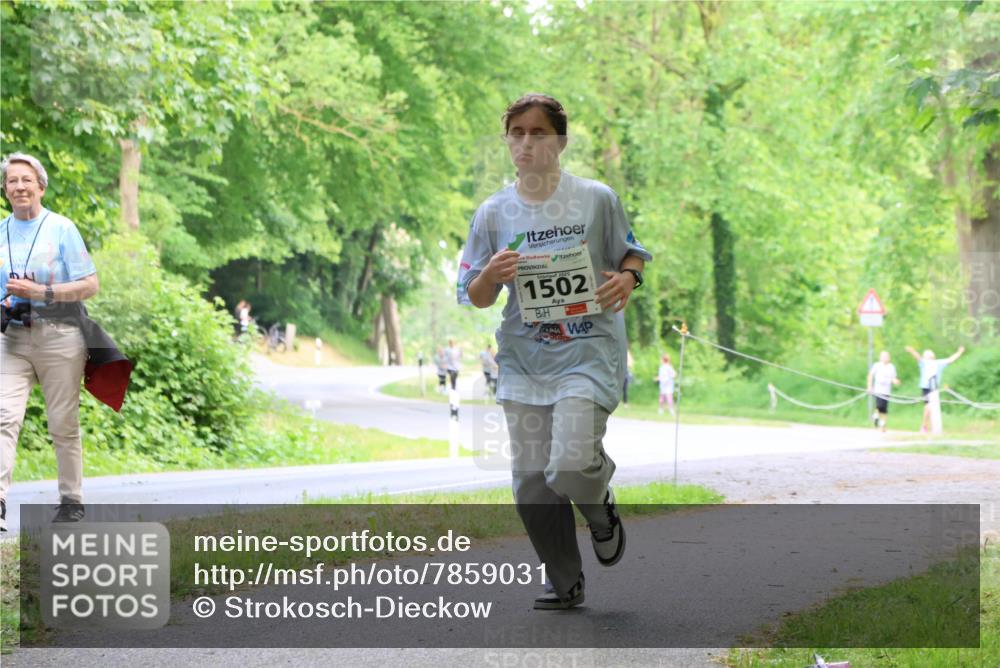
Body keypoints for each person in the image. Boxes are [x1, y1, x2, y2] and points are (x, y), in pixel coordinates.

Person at [457, 93, 651, 610]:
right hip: (524, 359)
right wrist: (490, 275)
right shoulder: (493, 213)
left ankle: (600, 507)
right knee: (530, 482)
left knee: (567, 465)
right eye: (516, 132)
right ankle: (564, 581)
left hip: (588, 352)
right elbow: (474, 296)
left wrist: (629, 277)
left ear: (560, 140)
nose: (525, 142)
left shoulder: (595, 199)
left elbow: (632, 251)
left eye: (537, 132)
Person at [0, 152, 100, 530]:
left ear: (41, 186)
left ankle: (71, 500)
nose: (20, 186)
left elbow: (91, 284)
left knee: (62, 422)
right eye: (12, 180)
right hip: (11, 337)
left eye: (26, 179)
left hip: (60, 336)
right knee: (3, 417)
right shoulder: (1, 231)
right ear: (6, 189)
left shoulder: (61, 228)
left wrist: (42, 291)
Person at [904, 345, 965, 433]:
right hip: (926, 387)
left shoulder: (938, 363)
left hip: (934, 387)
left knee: (931, 407)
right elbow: (917, 357)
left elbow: (951, 359)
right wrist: (912, 351)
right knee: (929, 406)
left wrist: (959, 352)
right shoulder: (923, 363)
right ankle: (925, 425)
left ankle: (927, 426)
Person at [866, 350, 900, 432]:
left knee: (884, 409)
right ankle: (877, 418)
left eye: (887, 356)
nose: (885, 358)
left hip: (886, 391)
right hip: (878, 390)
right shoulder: (877, 365)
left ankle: (882, 424)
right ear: (880, 358)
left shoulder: (891, 367)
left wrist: (895, 381)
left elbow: (893, 377)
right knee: (879, 406)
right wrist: (869, 386)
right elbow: (870, 375)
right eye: (883, 356)